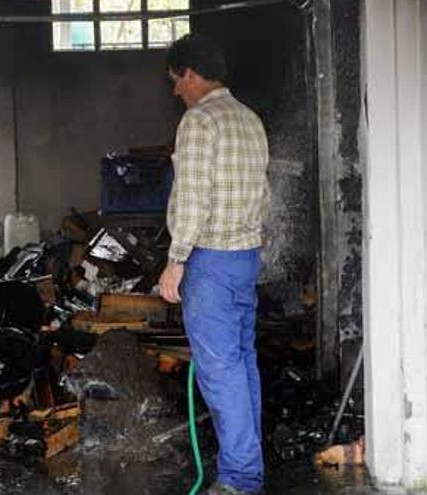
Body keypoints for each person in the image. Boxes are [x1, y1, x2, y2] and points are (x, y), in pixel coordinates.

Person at [159, 33, 270, 495]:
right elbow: (265, 193)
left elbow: (193, 199)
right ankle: (248, 466)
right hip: (246, 258)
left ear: (189, 73)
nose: (174, 92)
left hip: (212, 262)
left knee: (220, 371)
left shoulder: (199, 122)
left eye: (175, 81)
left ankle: (240, 480)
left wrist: (175, 260)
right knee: (242, 364)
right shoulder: (249, 120)